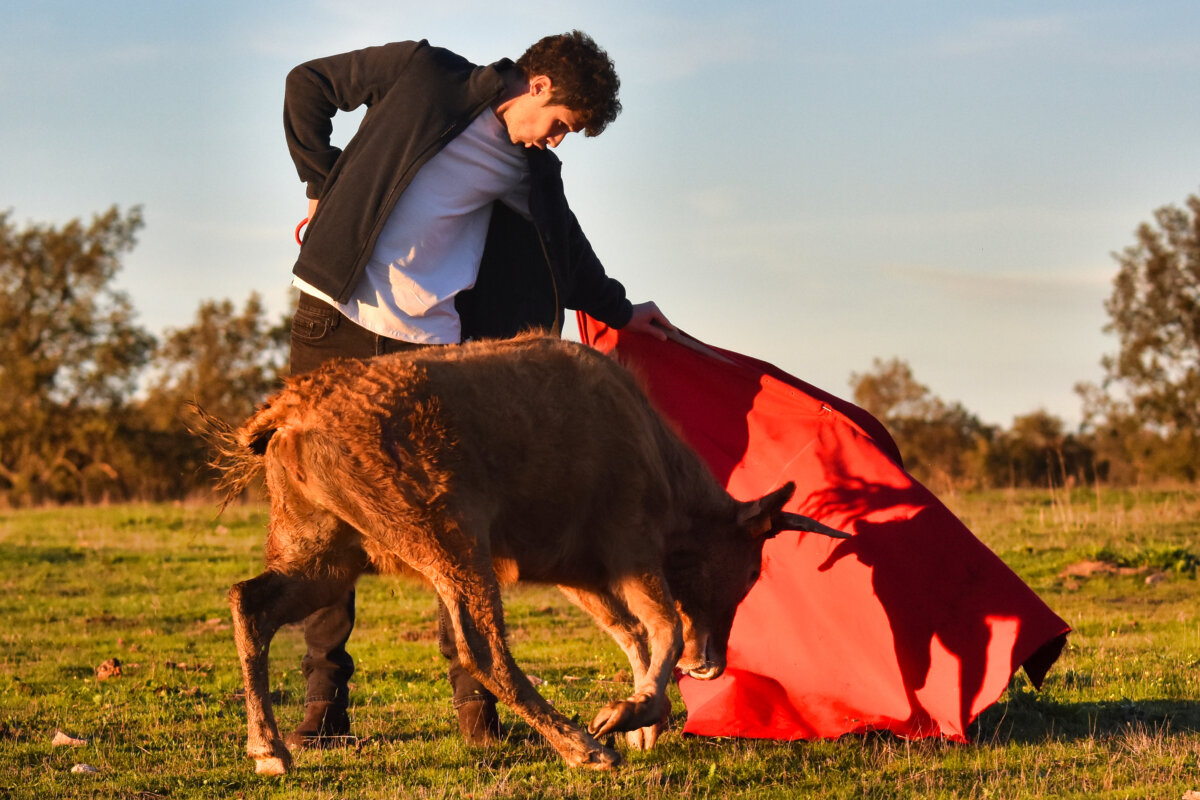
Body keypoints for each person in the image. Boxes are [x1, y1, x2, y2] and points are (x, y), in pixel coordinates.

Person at [280, 31, 672, 749]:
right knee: (326, 518)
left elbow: (570, 256)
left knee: (456, 530)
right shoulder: (423, 73)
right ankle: (323, 709)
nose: (555, 141)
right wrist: (323, 185)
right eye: (560, 125)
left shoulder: (530, 170)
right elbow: (307, 84)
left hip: (430, 352)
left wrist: (623, 312)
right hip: (334, 319)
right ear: (538, 85)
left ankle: (478, 714)